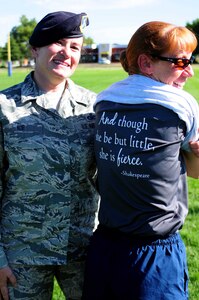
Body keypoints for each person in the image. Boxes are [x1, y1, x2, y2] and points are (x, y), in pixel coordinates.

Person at [82, 21, 199, 300]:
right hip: (155, 253)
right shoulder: (180, 105)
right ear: (146, 63)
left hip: (104, 245)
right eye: (181, 62)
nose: (190, 71)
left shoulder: (104, 101)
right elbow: (195, 172)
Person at [0, 11, 99, 300]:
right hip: (22, 251)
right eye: (58, 43)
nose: (67, 53)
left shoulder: (94, 107)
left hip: (83, 247)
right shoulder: (4, 107)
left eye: (75, 47)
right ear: (35, 48)